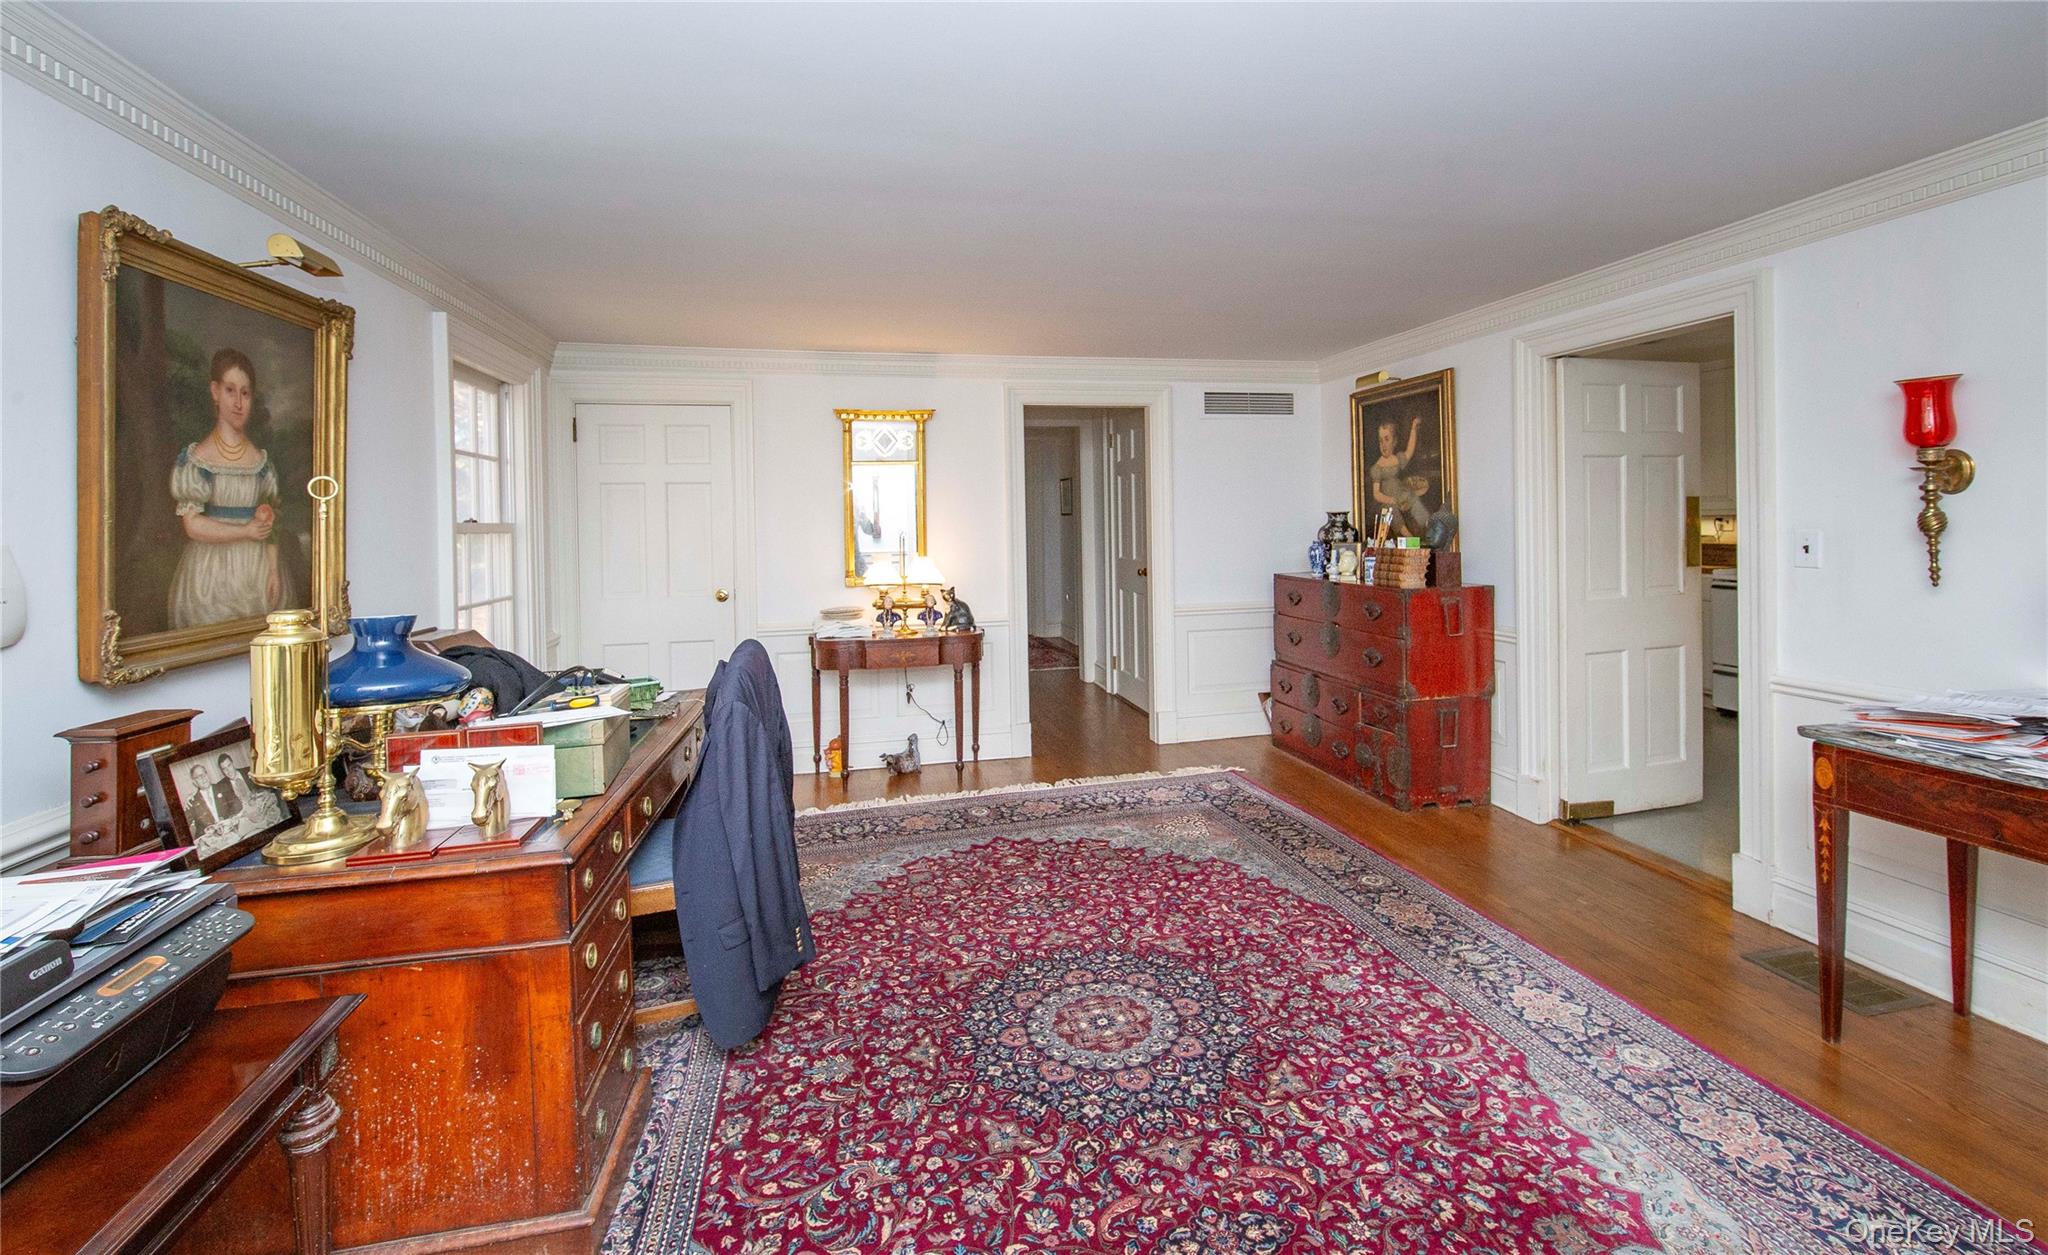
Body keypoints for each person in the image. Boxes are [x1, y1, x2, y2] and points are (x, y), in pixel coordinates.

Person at [168, 348, 290, 629]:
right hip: (210, 575)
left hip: (257, 571)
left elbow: (273, 519)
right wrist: (245, 531)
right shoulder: (197, 459)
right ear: (214, 391)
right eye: (230, 390)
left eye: (245, 393)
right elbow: (192, 525)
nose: (238, 403)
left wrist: (273, 570)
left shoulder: (262, 462)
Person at [1369, 416, 1434, 538]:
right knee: (1390, 509)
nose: (1383, 444)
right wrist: (1390, 500)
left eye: (1387, 439)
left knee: (1414, 499)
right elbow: (1376, 494)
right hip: (1387, 499)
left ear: (1395, 441)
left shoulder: (1397, 459)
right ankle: (1408, 536)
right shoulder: (1377, 467)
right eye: (1380, 440)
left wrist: (1413, 428)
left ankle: (1429, 527)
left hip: (1402, 494)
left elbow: (1409, 450)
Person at [183, 763, 219, 836]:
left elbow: (237, 806)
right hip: (210, 840)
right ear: (195, 782)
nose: (203, 778)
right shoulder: (192, 801)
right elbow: (183, 825)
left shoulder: (222, 787)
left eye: (204, 774)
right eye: (198, 777)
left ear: (207, 774)